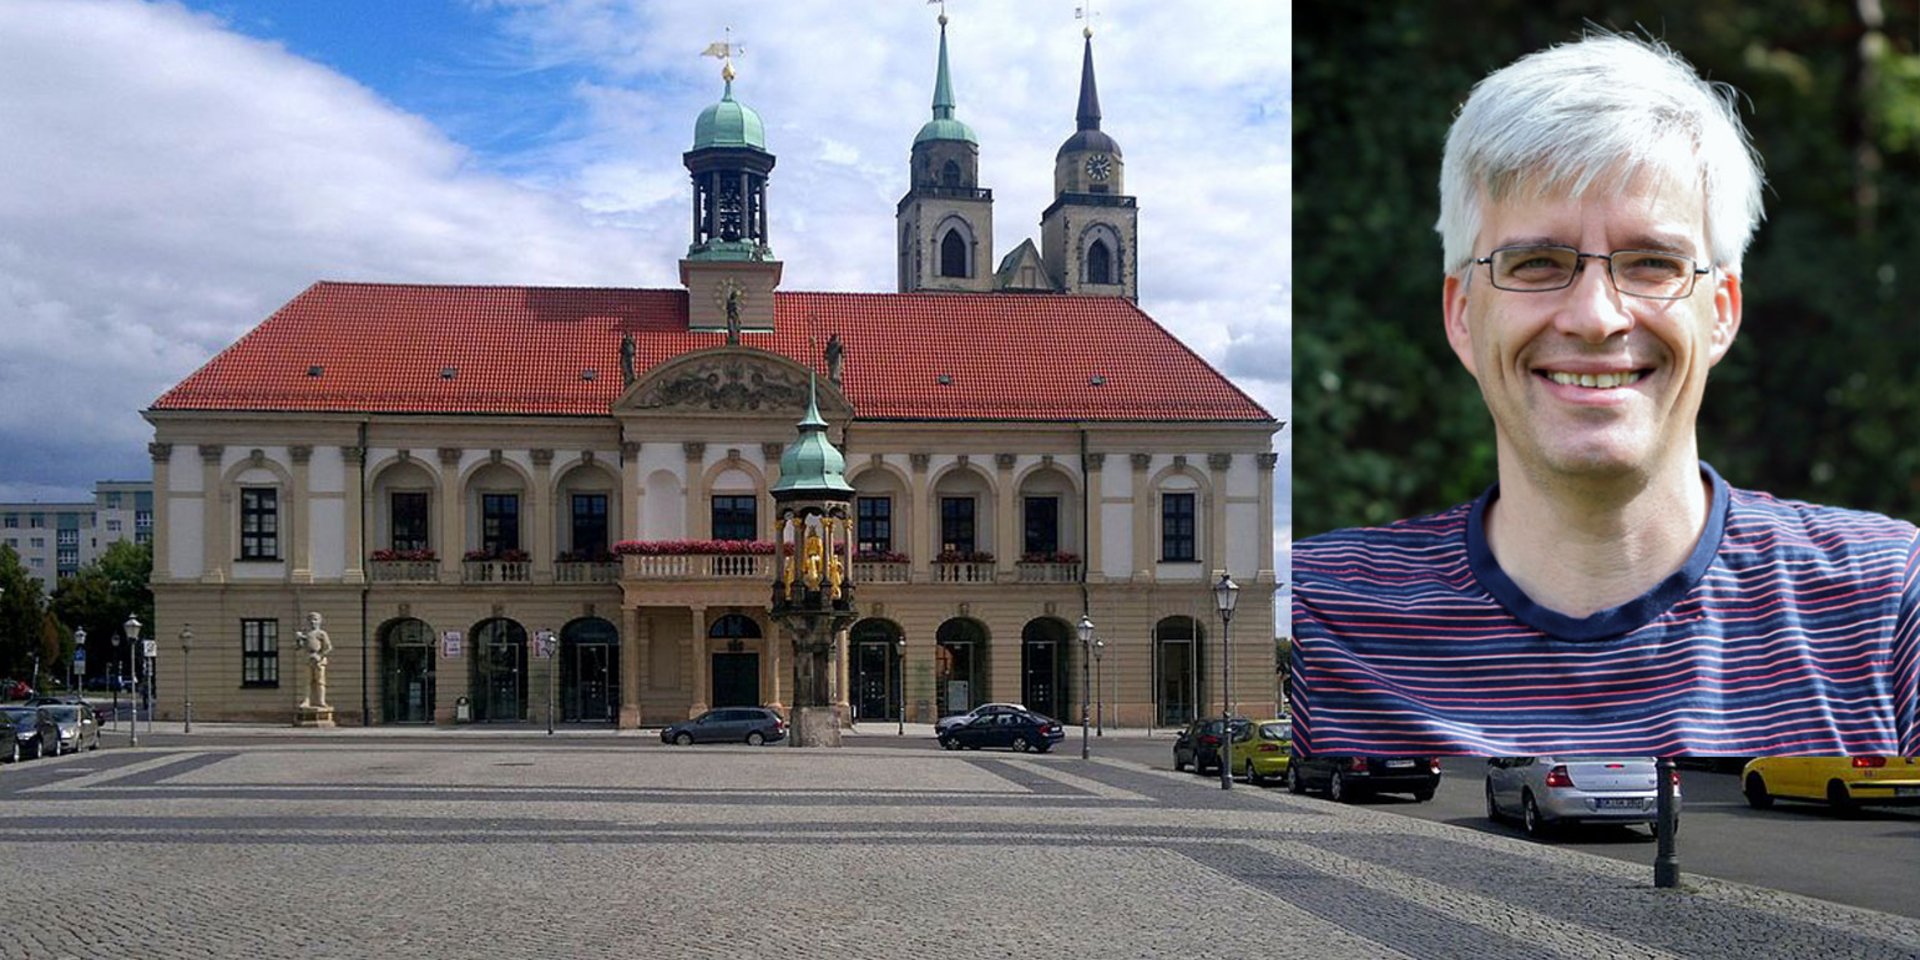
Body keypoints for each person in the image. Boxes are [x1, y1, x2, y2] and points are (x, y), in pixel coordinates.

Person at [1291, 33, 1919, 758]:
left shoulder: (1886, 609)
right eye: (1536, 263)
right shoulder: (1322, 619)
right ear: (1462, 314)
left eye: (1653, 263)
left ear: (1721, 312)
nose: (1596, 315)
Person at [295, 611, 333, 710]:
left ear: (319, 621)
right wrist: (299, 639)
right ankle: (306, 701)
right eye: (311, 620)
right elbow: (298, 647)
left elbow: (328, 647)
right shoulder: (305, 633)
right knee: (307, 681)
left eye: (315, 619)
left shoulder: (321, 633)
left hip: (319, 660)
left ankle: (321, 701)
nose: (313, 622)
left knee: (320, 681)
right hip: (308, 658)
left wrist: (320, 655)